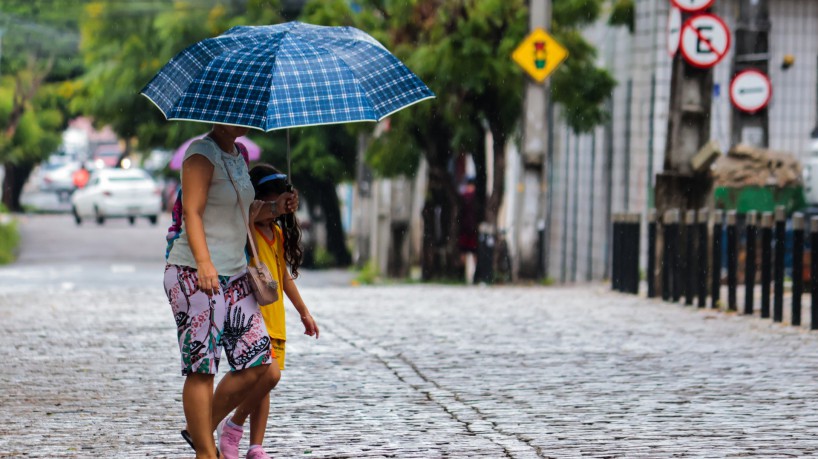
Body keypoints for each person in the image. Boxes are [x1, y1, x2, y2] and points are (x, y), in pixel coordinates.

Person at [163, 124, 298, 459]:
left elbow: (245, 213)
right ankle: (207, 453)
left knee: (260, 365)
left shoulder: (240, 155)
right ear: (222, 115)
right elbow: (192, 212)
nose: (248, 117)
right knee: (202, 367)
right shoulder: (200, 153)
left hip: (235, 273)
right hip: (195, 273)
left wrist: (277, 208)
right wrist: (204, 262)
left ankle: (201, 432)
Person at [215, 163, 319, 459]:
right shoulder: (245, 228)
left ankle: (255, 445)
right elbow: (255, 211)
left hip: (275, 319)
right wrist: (275, 206)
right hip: (252, 317)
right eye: (271, 199)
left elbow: (284, 277)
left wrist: (304, 312)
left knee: (264, 386)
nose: (277, 207)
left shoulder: (276, 233)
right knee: (268, 375)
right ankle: (232, 426)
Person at [458, 177, 478, 284]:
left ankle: (462, 275)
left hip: (464, 228)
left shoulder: (463, 196)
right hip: (473, 228)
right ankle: (476, 274)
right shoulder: (476, 197)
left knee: (463, 252)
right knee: (474, 252)